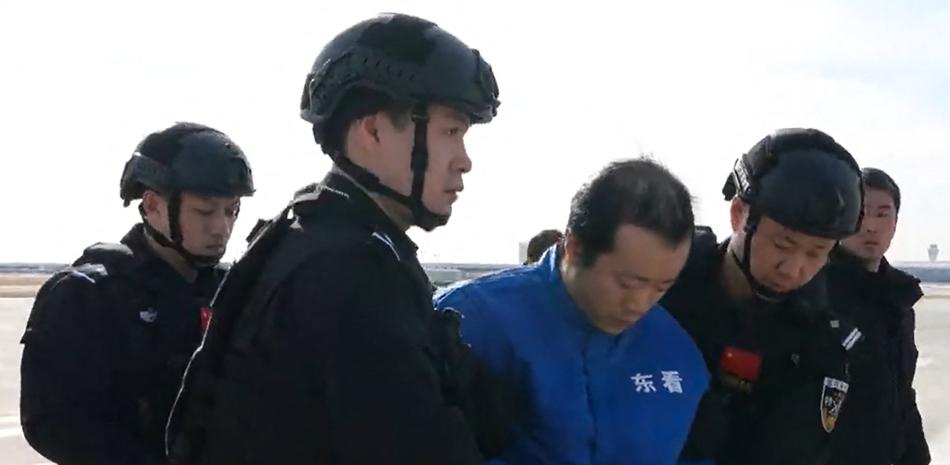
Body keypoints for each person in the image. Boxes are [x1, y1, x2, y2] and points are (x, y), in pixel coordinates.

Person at [165, 13, 510, 465]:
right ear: (373, 131)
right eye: (450, 131)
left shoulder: (316, 237)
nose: (464, 160)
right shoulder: (351, 272)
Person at [436, 158, 708, 465]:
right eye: (628, 283)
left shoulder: (676, 352)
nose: (640, 305)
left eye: (661, 287)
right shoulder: (470, 322)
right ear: (575, 247)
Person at [19, 122, 254, 465]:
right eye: (204, 211)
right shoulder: (89, 296)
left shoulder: (234, 291)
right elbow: (54, 422)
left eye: (231, 210)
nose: (222, 227)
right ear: (154, 205)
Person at [660, 128, 865, 465]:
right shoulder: (661, 289)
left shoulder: (825, 341)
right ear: (739, 214)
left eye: (817, 252)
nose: (793, 269)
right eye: (782, 244)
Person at [827, 167, 930, 465]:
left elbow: (902, 395)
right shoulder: (815, 292)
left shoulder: (898, 300)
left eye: (883, 214)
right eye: (860, 212)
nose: (871, 226)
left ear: (895, 223)